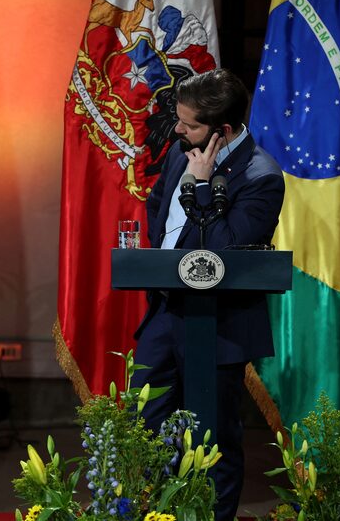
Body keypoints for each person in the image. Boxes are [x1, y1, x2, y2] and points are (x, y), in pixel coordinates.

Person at [131, 68, 285, 521]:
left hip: (217, 326)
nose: (177, 129)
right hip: (164, 314)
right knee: (148, 427)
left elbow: (220, 253)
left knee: (212, 440)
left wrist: (201, 186)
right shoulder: (185, 151)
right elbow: (158, 202)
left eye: (189, 124)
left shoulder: (261, 177)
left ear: (223, 131)